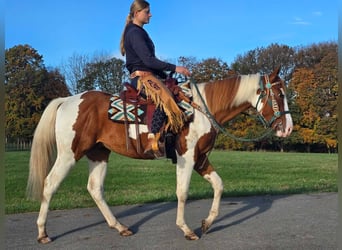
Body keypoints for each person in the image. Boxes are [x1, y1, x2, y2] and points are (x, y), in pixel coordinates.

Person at [120, 0, 191, 155]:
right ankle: (153, 139)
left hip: (149, 75)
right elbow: (148, 61)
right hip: (142, 78)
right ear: (137, 13)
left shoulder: (137, 31)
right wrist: (175, 68)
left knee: (176, 90)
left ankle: (172, 140)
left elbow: (148, 62)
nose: (150, 14)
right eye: (147, 11)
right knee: (164, 98)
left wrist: (166, 75)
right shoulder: (135, 32)